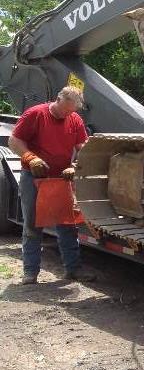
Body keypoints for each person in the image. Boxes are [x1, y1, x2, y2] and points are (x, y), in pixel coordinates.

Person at [8, 86, 93, 285]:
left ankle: (73, 270)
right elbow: (14, 140)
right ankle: (30, 273)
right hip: (34, 177)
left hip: (61, 179)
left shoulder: (74, 120)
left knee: (67, 225)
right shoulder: (35, 114)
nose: (67, 114)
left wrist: (75, 166)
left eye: (72, 111)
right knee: (32, 224)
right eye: (65, 109)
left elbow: (83, 148)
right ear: (57, 99)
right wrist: (30, 158)